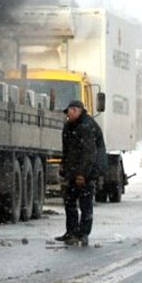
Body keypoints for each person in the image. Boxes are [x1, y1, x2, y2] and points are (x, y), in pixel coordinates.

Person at [54, 100, 105, 247]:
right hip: (73, 170)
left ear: (78, 111)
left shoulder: (86, 126)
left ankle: (83, 233)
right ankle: (71, 232)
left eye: (70, 111)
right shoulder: (69, 126)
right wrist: (64, 165)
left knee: (85, 203)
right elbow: (67, 149)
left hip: (88, 171)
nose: (68, 115)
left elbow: (88, 154)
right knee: (70, 201)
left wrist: (82, 174)